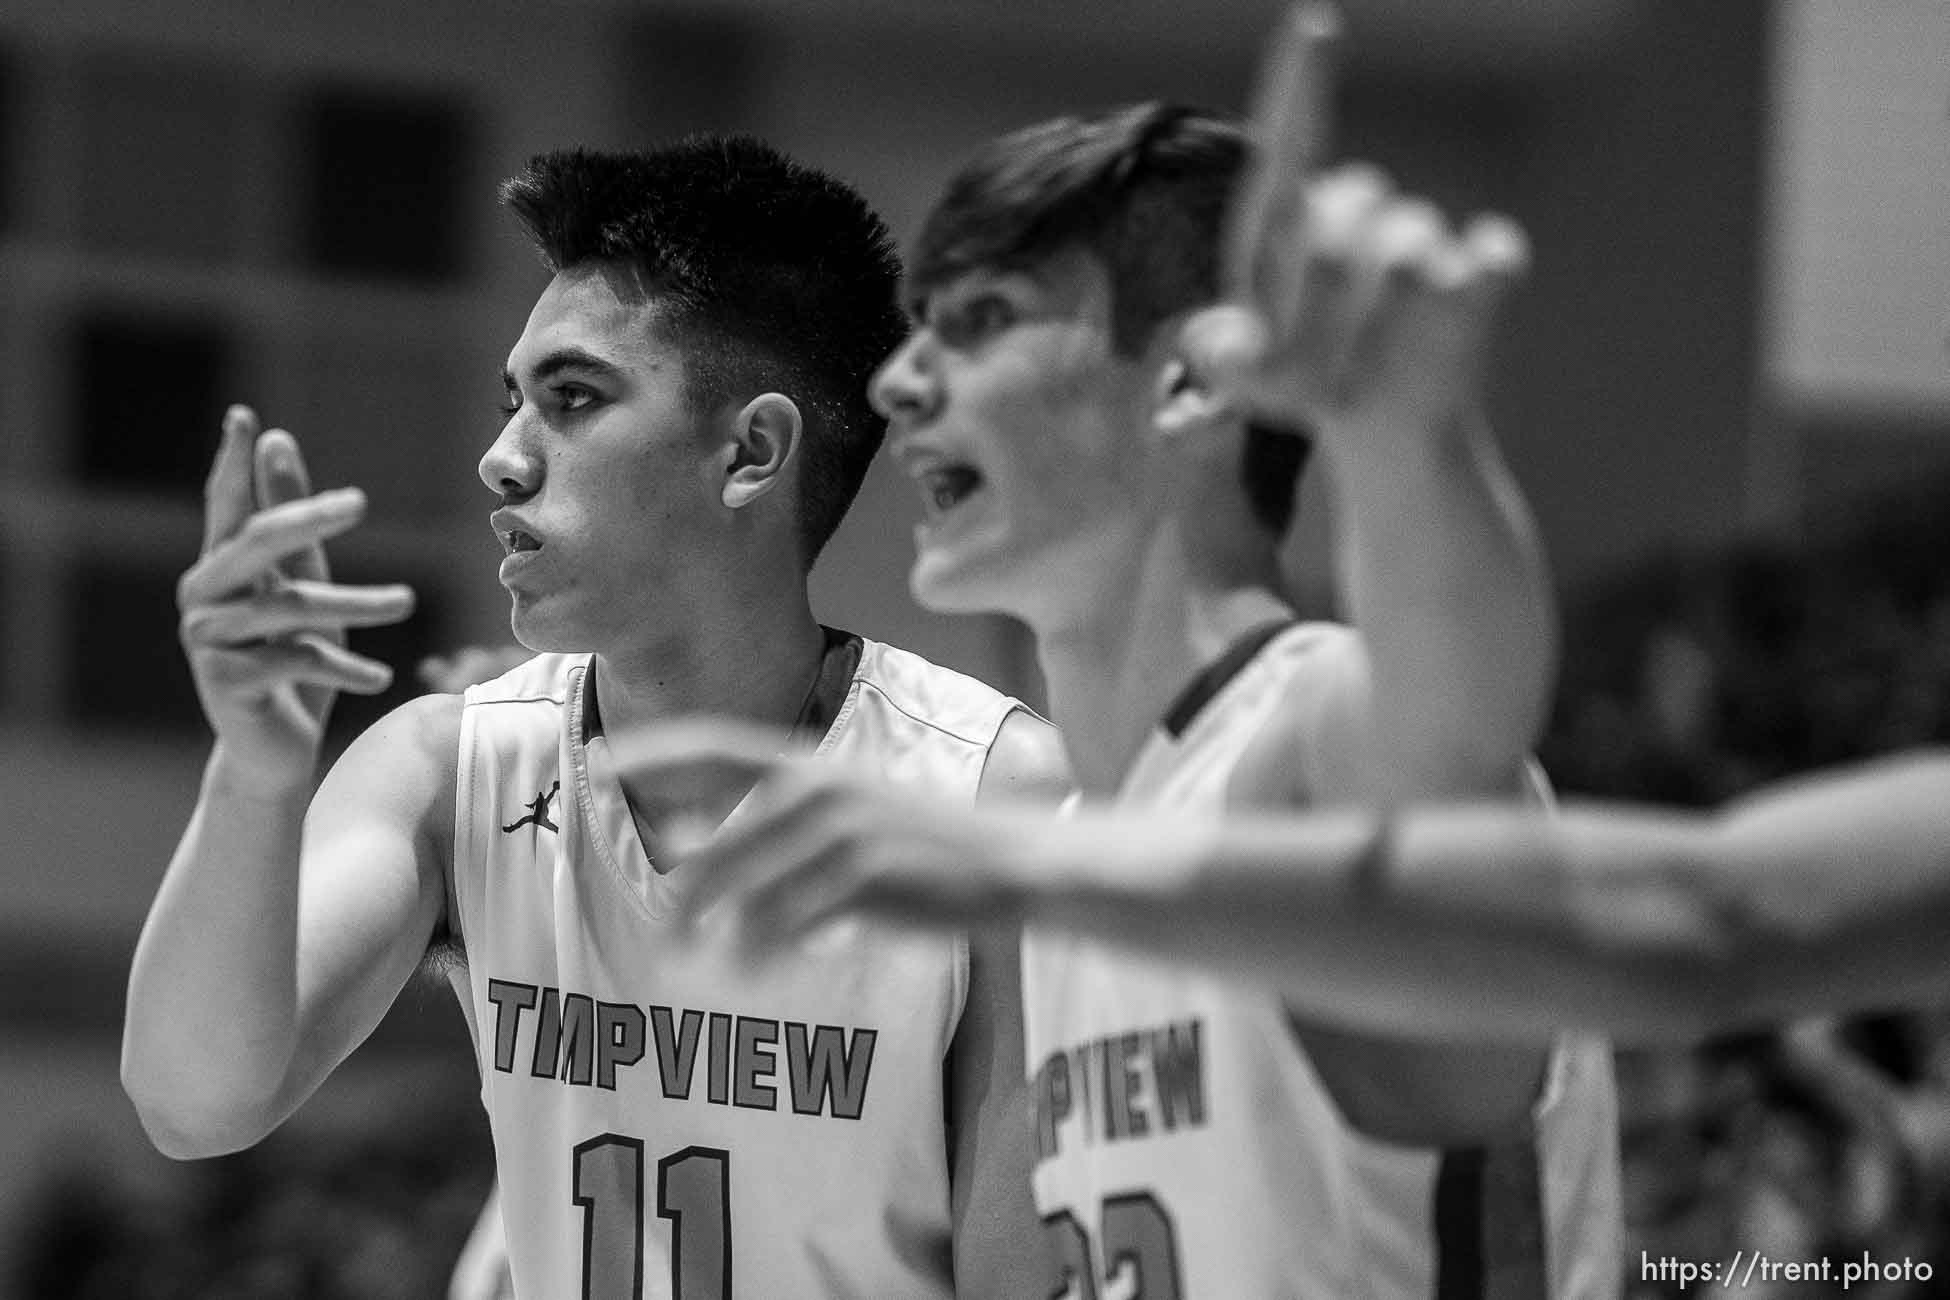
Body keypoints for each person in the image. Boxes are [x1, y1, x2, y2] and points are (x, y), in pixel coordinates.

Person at [622, 6, 1623, 1295]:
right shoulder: (1082, 851)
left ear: (1192, 384)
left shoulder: (1303, 740)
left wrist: (1402, 435)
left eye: (981, 319)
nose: (898, 382)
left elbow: (1461, 722)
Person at [121, 137, 1067, 1299]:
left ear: (752, 451)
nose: (502, 458)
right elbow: (191, 1101)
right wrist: (255, 771)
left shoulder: (993, 794)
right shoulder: (444, 763)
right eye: (512, 400)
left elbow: (1017, 1279)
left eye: (572, 399)